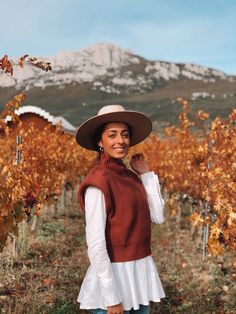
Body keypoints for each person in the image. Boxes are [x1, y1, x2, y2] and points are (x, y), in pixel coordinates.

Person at [76, 105, 165, 314]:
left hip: (139, 275)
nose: (120, 141)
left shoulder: (131, 177)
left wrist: (146, 175)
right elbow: (96, 245)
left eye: (125, 135)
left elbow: (158, 217)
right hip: (115, 278)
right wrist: (111, 297)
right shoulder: (98, 181)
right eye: (112, 135)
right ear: (100, 141)